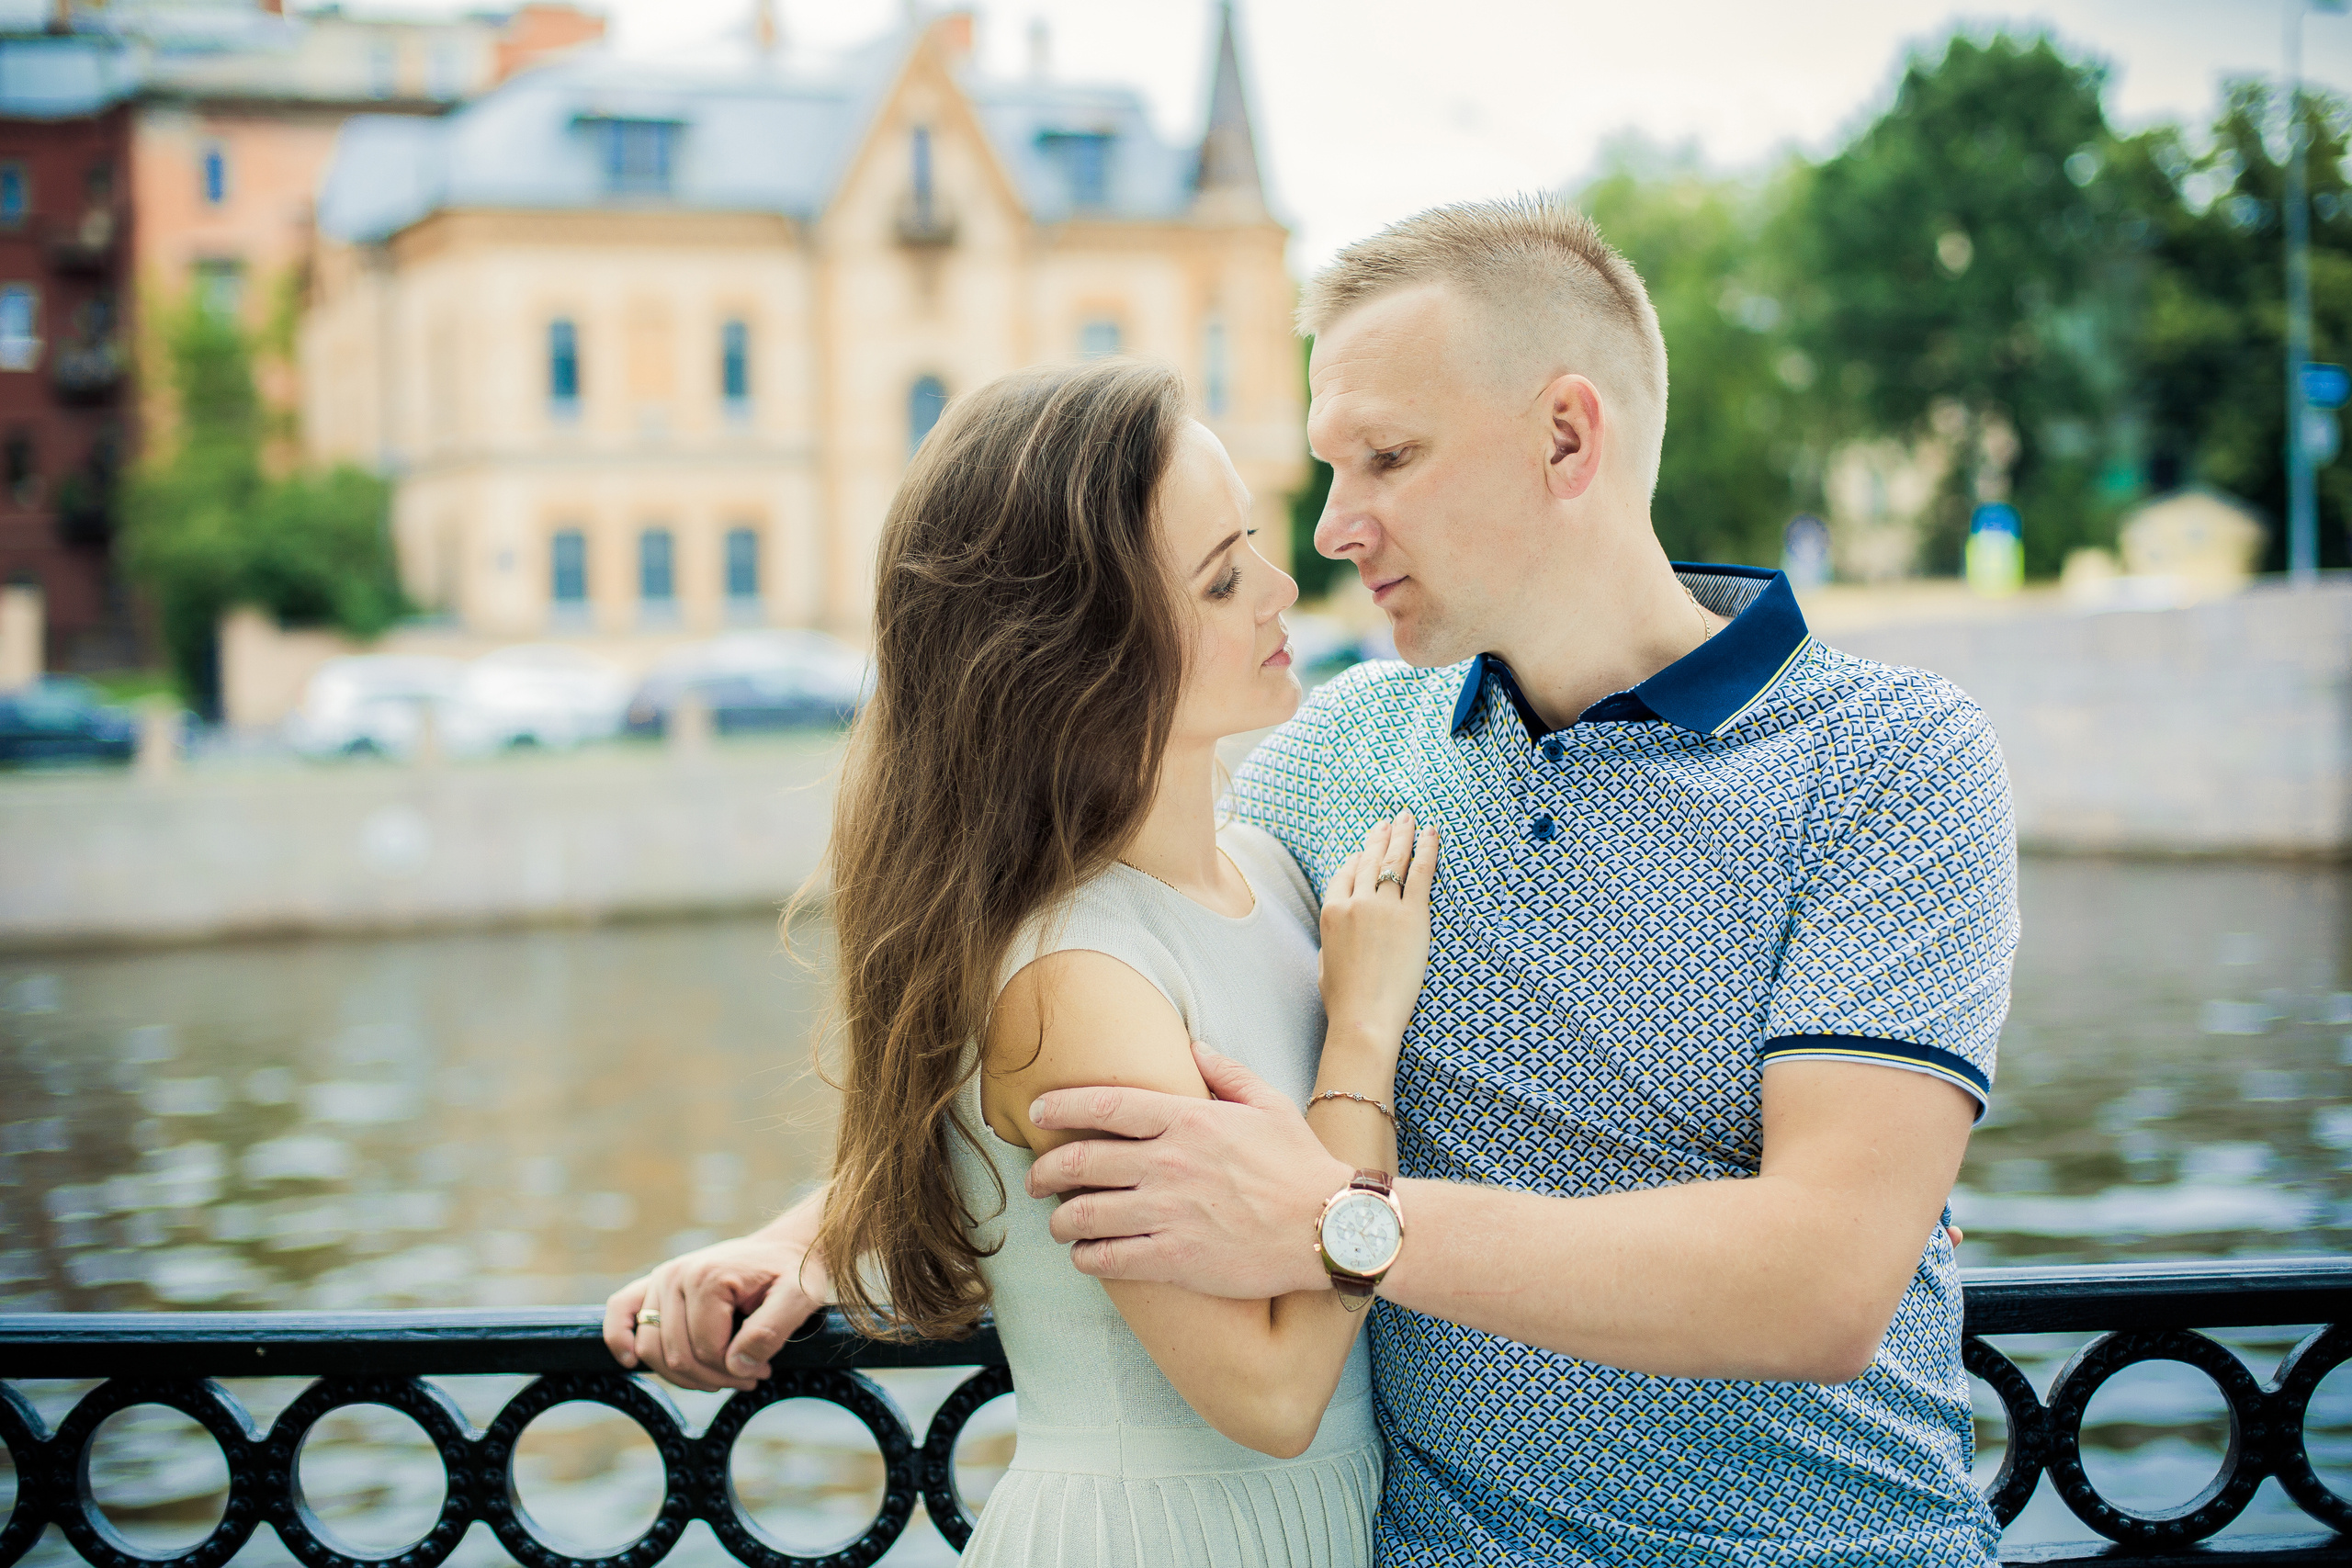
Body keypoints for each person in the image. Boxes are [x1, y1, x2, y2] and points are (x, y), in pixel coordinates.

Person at [609, 196, 2017, 1567]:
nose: (1333, 530)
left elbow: (1824, 1279)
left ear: (1567, 438)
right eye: (1329, 471)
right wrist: (817, 1237)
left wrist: (1345, 1229)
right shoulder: (1339, 751)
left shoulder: (1889, 761)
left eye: (1387, 460)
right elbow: (1107, 987)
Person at [609, 357, 1444, 1566]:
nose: (1278, 591)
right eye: (1220, 581)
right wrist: (1363, 1036)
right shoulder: (1078, 976)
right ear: (1084, 659)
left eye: (1251, 545)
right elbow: (1269, 1395)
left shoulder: (1268, 869)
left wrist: (815, 1232)